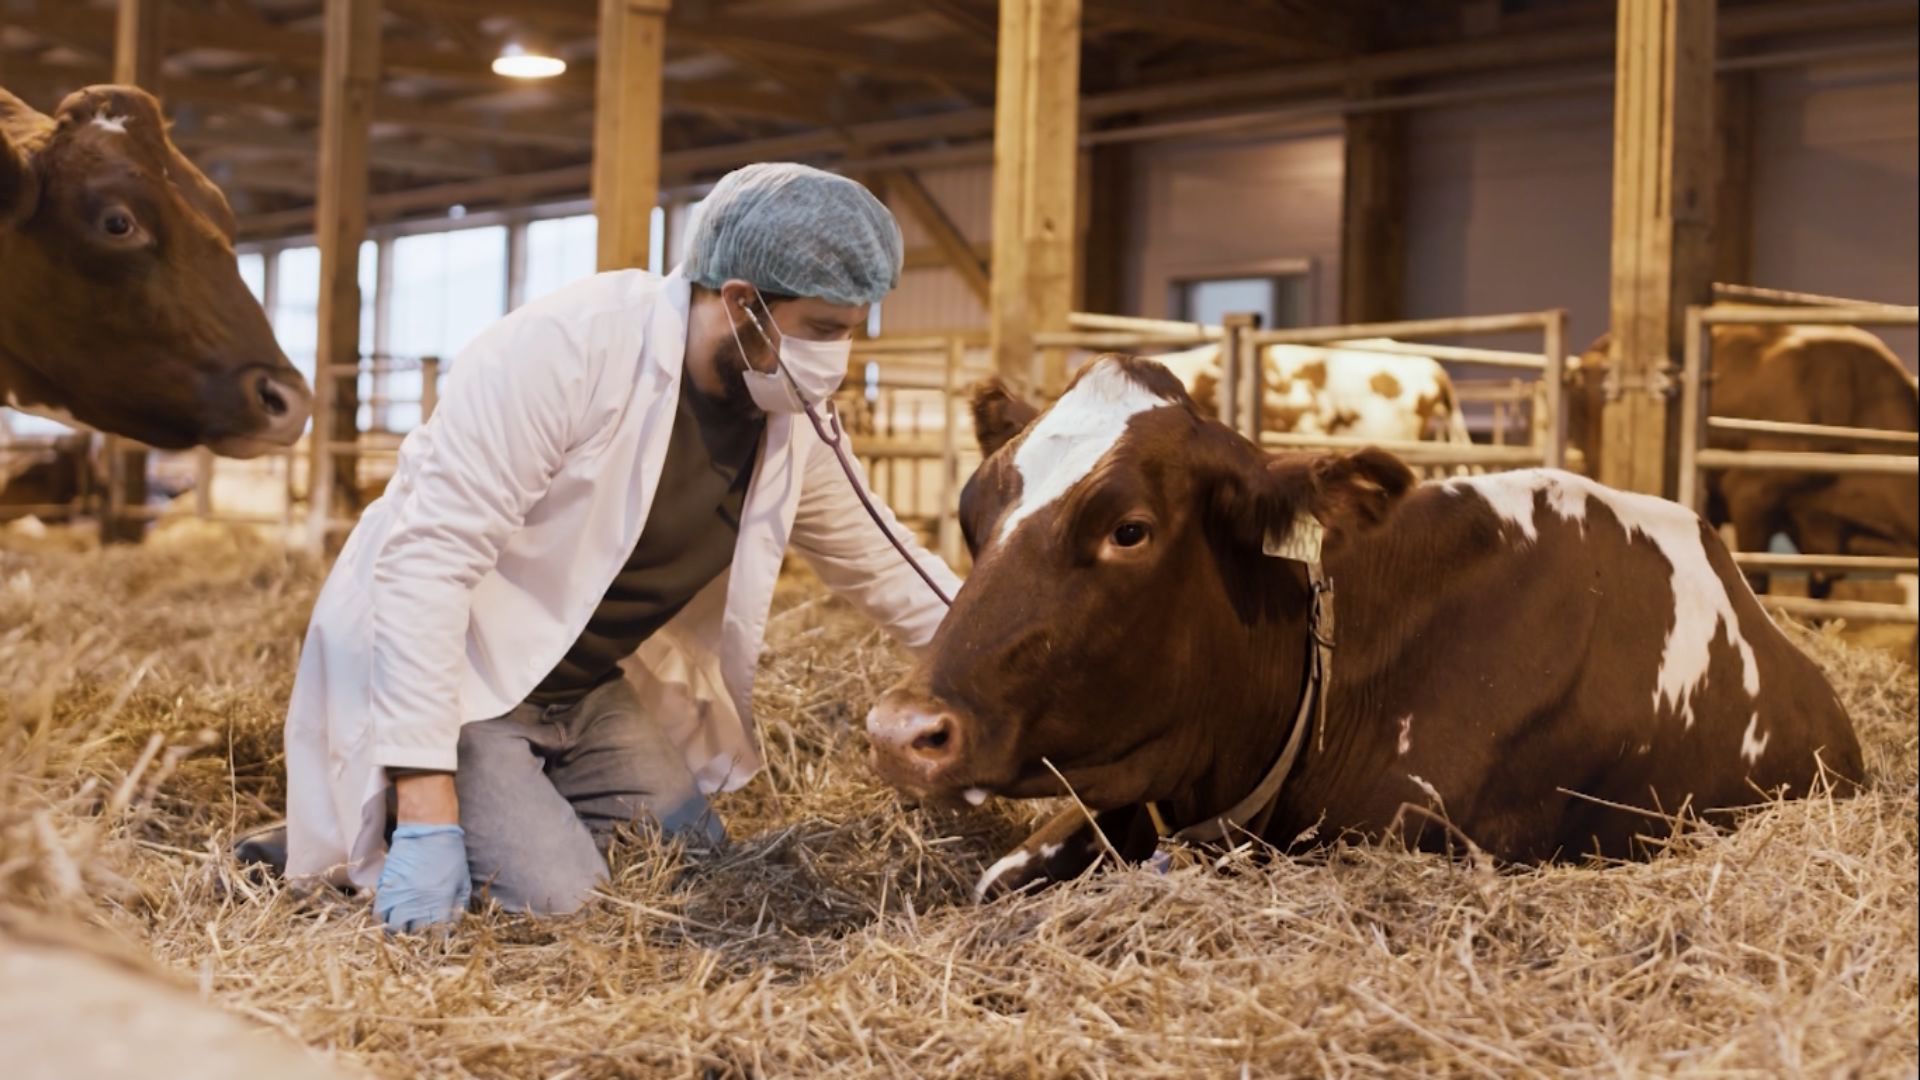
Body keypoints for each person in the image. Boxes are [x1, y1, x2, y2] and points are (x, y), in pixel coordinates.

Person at [269, 163, 961, 933]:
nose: (837, 359)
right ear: (742, 302)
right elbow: (426, 564)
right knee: (574, 912)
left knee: (698, 869)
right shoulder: (568, 350)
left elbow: (886, 562)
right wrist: (430, 808)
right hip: (464, 677)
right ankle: (376, 828)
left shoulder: (787, 414)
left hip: (585, 686)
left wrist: (1024, 659)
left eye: (851, 332)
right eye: (824, 331)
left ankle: (471, 819)